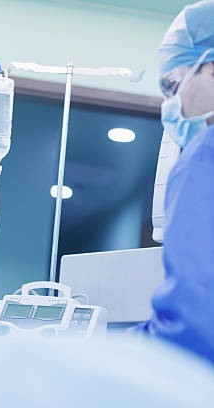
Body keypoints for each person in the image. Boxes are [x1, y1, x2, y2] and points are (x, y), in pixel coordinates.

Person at [136, 1, 214, 364]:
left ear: (210, 68)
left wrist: (109, 354)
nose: (170, 104)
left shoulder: (205, 157)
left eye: (172, 85)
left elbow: (192, 330)